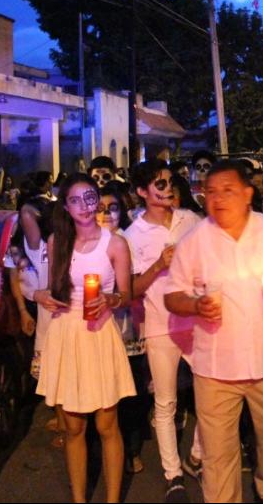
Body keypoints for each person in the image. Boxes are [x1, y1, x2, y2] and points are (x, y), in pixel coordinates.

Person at [164, 160, 263, 504]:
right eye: (210, 191)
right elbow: (172, 295)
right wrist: (195, 305)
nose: (217, 198)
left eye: (227, 190)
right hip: (215, 369)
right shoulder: (194, 240)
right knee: (218, 457)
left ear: (248, 193)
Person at [34, 173, 135, 504]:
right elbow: (53, 292)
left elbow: (126, 295)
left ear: (98, 200)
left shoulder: (115, 243)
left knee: (107, 426)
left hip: (99, 334)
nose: (84, 206)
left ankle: (112, 498)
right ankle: (79, 499)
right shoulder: (56, 242)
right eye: (75, 199)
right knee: (73, 429)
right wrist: (41, 296)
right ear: (65, 205)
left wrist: (110, 300)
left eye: (89, 197)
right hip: (66, 334)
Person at [126, 160, 205, 501]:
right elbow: (131, 289)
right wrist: (159, 264)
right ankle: (173, 474)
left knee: (212, 390)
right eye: (159, 184)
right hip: (159, 324)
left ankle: (197, 454)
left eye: (170, 182)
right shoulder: (133, 235)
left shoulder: (191, 220)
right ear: (143, 192)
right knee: (165, 401)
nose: (168, 188)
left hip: (196, 319)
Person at [94, 183, 151, 479]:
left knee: (130, 393)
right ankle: (103, 452)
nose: (106, 214)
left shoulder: (128, 241)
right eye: (101, 208)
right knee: (102, 395)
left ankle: (131, 450)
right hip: (97, 329)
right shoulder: (88, 242)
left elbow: (138, 285)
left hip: (127, 326)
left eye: (112, 208)